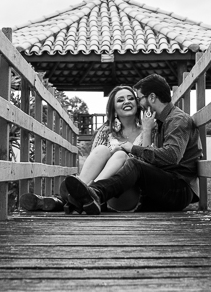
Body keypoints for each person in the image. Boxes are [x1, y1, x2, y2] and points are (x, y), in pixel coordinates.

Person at [64, 73, 201, 214]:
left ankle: (94, 193)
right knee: (119, 157)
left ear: (152, 97)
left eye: (139, 98)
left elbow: (171, 156)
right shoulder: (163, 121)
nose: (139, 104)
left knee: (134, 164)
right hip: (165, 185)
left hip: (179, 189)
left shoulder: (177, 120)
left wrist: (132, 148)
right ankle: (80, 197)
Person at [18, 84, 149, 212]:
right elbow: (94, 163)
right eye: (120, 100)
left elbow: (148, 164)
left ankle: (67, 199)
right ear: (114, 109)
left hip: (128, 192)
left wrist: (145, 133)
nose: (127, 101)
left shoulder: (148, 129)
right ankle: (80, 197)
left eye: (131, 98)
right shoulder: (105, 131)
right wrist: (111, 154)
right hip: (105, 194)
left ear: (137, 104)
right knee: (102, 150)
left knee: (120, 155)